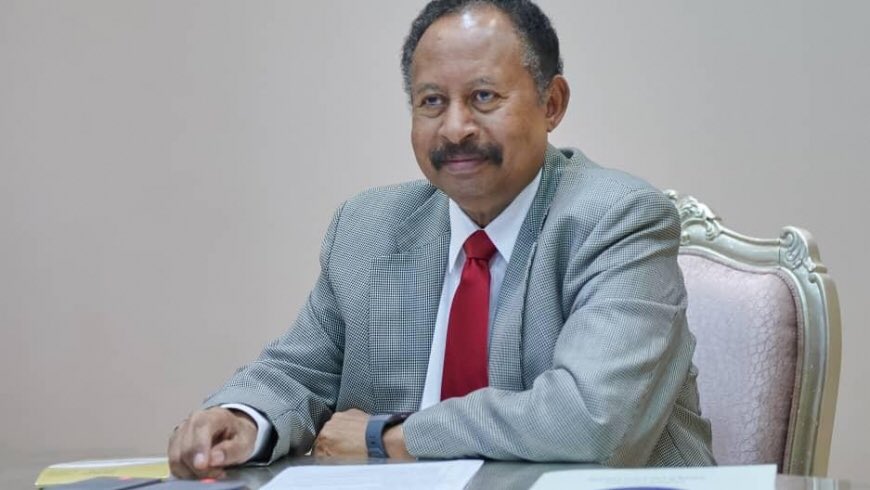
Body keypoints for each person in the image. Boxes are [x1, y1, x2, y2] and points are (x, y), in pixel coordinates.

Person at [167, 0, 715, 479]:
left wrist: (390, 438)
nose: (455, 129)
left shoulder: (617, 218)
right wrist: (242, 418)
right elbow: (298, 372)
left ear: (551, 104)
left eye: (483, 96)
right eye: (431, 102)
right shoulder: (368, 227)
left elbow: (591, 419)